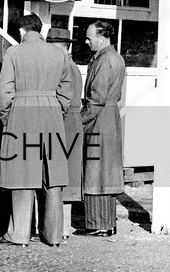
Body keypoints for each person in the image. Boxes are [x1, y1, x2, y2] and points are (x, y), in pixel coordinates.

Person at [0, 14, 72, 247]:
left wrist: (7, 116)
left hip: (22, 113)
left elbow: (4, 91)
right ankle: (54, 235)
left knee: (22, 174)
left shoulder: (14, 53)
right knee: (52, 176)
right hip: (52, 114)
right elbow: (67, 90)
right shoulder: (59, 54)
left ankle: (18, 235)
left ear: (22, 31)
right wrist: (58, 111)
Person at [76, 21, 125, 238]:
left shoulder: (104, 60)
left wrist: (78, 121)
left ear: (102, 38)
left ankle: (97, 224)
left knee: (95, 172)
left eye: (89, 38)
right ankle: (107, 224)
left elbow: (96, 99)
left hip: (99, 119)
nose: (87, 42)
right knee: (106, 172)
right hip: (110, 118)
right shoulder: (115, 58)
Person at [46, 28, 84, 240]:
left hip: (64, 122)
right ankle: (64, 226)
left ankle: (60, 226)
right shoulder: (71, 65)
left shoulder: (63, 67)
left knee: (60, 173)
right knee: (67, 174)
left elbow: (62, 101)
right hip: (71, 121)